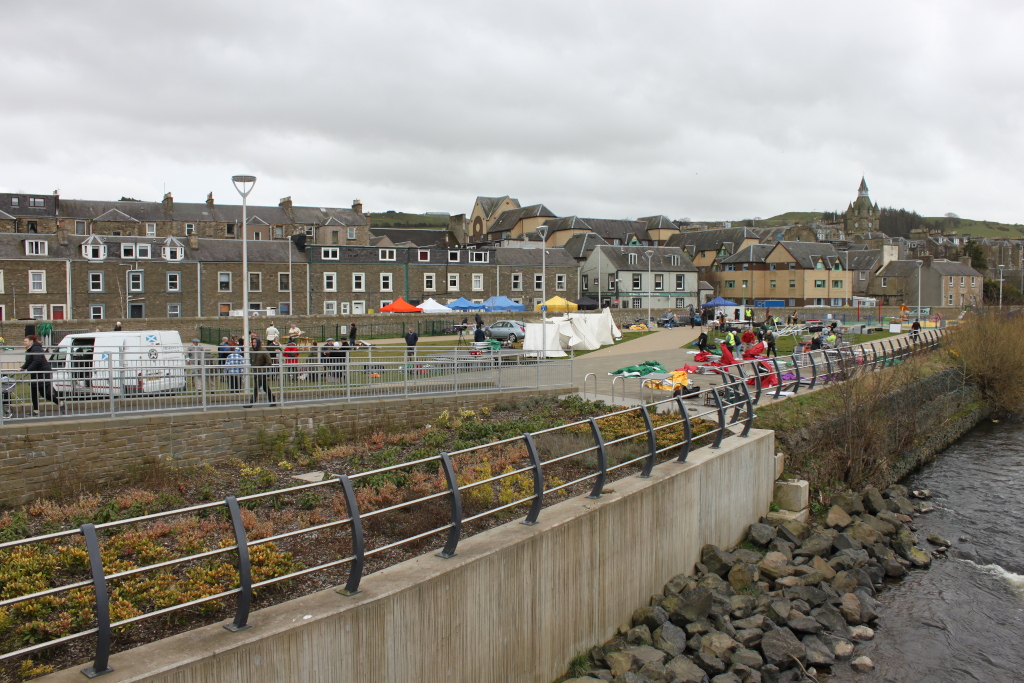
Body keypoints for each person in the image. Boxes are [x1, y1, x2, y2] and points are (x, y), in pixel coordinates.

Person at [22, 335, 63, 415]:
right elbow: (29, 361)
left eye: (26, 341)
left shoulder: (36, 348)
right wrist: (22, 368)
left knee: (44, 393)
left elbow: (37, 360)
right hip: (36, 373)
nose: (24, 343)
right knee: (34, 392)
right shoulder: (30, 349)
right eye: (24, 341)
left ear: (31, 341)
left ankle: (60, 402)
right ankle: (36, 410)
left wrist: (28, 369)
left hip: (43, 373)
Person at [247, 337, 275, 407]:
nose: (254, 344)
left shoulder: (263, 351)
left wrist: (263, 369)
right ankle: (272, 399)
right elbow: (251, 360)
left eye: (255, 342)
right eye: (253, 342)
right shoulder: (251, 350)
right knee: (265, 387)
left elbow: (269, 362)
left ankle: (251, 402)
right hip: (255, 372)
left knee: (256, 387)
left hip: (262, 373)